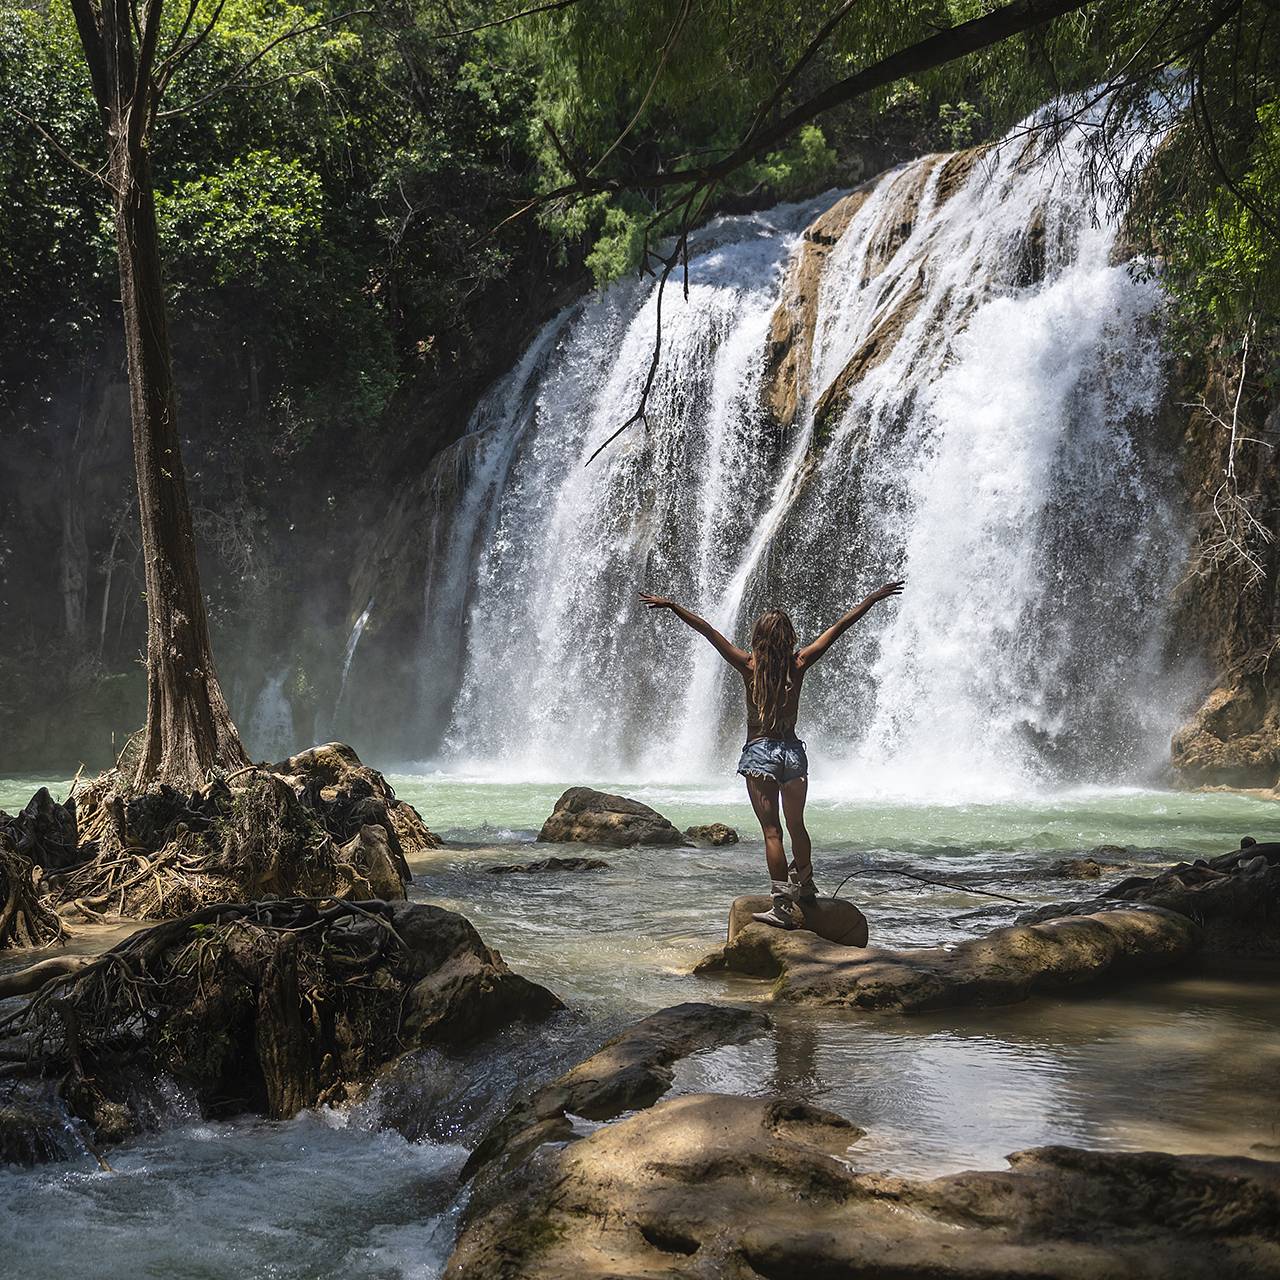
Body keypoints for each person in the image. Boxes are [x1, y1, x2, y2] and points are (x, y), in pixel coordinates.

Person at [640, 583, 905, 928]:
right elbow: (839, 628)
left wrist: (673, 605)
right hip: (793, 753)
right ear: (789, 638)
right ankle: (805, 886)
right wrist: (871, 599)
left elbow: (707, 629)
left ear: (759, 638)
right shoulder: (800, 663)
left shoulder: (748, 666)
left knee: (772, 833)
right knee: (797, 826)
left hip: (761, 753)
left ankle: (781, 905)